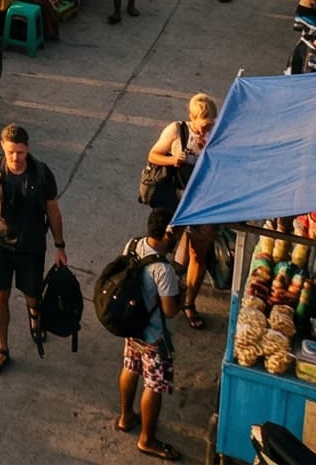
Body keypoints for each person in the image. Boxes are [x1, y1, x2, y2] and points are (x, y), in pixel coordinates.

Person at [0, 122, 67, 377]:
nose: (16, 157)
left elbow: (53, 211)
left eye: (21, 152)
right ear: (2, 147)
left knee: (32, 295)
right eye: (11, 152)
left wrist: (60, 246)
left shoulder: (42, 174)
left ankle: (35, 319)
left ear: (28, 150)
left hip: (32, 247)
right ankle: (2, 348)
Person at [115, 208, 185, 461]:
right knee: (154, 385)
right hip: (153, 336)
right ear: (167, 234)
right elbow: (170, 311)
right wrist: (183, 294)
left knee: (130, 368)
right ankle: (147, 439)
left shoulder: (133, 244)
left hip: (132, 327)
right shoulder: (163, 271)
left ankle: (125, 417)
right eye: (175, 232)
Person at [146, 94, 218, 328]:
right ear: (191, 118)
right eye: (203, 124)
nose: (206, 129)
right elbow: (153, 155)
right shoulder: (177, 131)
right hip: (175, 202)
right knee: (162, 247)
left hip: (202, 203)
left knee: (199, 255)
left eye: (211, 123)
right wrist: (173, 160)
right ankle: (157, 295)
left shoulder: (217, 135)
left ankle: (189, 303)